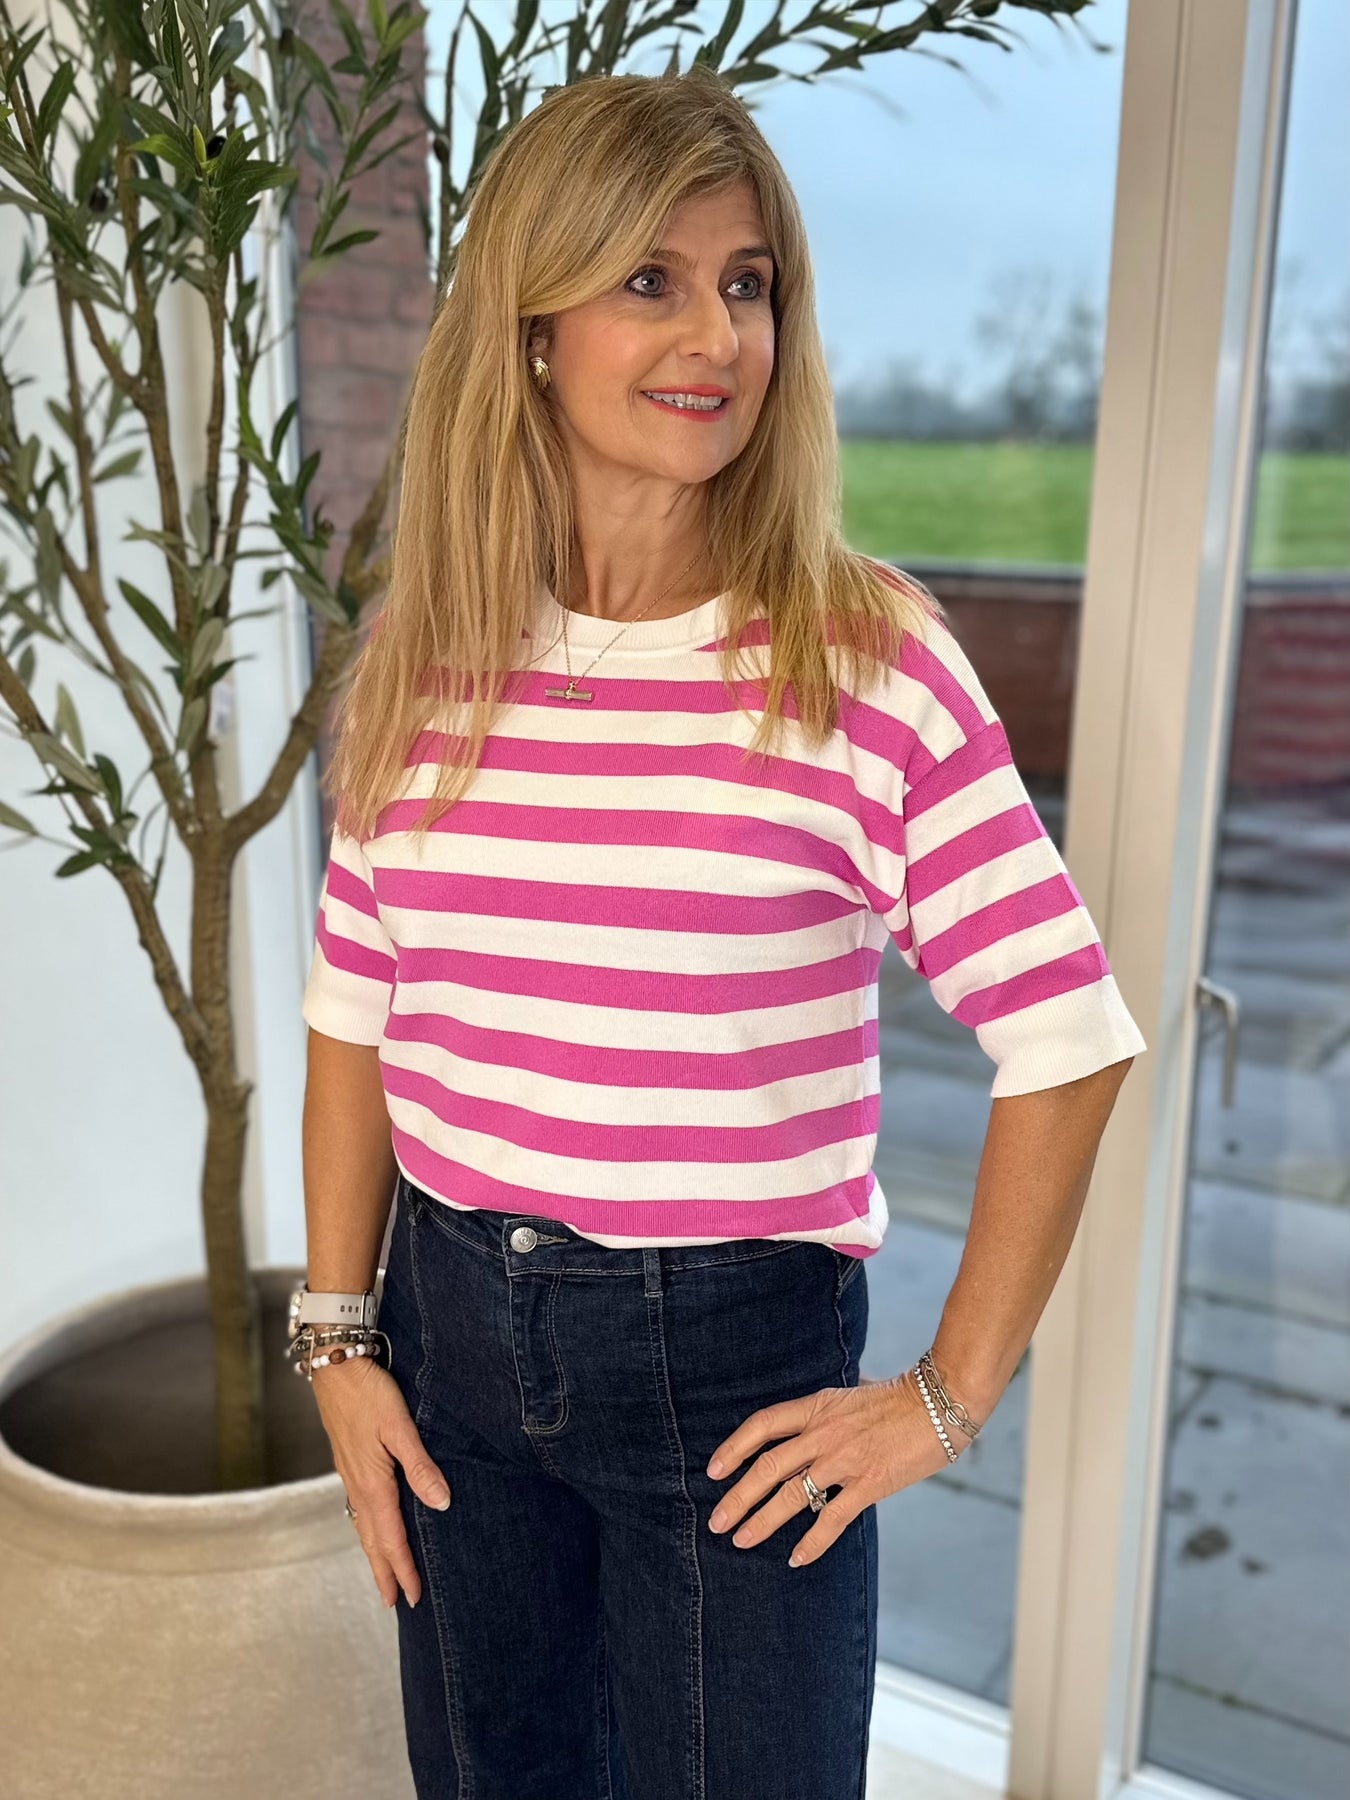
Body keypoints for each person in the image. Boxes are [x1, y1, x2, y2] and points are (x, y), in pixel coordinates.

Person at [293, 63, 1147, 1800]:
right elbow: (354, 1013)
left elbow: (1066, 1038)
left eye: (746, 284)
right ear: (532, 329)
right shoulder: (425, 652)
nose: (717, 336)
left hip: (732, 1383)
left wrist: (944, 1397)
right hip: (447, 1346)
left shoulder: (861, 659)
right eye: (650, 279)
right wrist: (335, 1340)